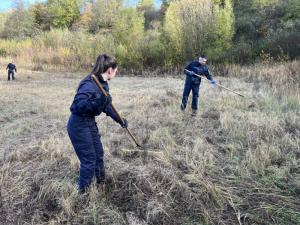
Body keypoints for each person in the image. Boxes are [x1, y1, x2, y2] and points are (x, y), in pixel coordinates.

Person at [67, 54, 128, 193]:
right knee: (89, 160)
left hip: (89, 122)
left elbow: (107, 106)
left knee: (98, 154)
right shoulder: (89, 83)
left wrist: (120, 120)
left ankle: (101, 184)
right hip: (78, 125)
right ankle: (84, 194)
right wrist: (99, 101)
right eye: (116, 70)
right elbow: (77, 106)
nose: (116, 72)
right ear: (110, 70)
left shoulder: (103, 84)